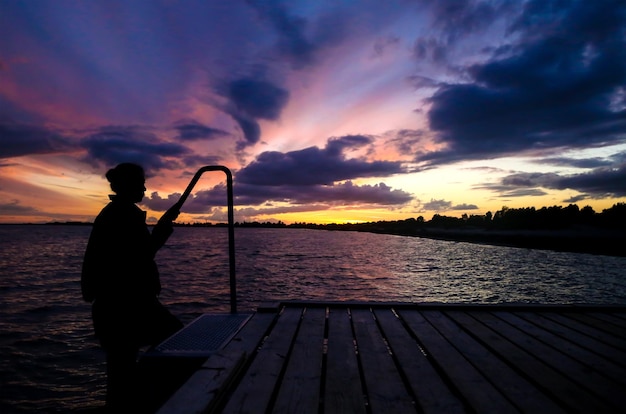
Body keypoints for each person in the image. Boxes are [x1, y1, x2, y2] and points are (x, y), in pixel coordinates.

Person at [81, 163, 183, 412]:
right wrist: (160, 232)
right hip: (124, 307)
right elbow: (139, 257)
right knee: (177, 340)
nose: (145, 188)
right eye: (140, 183)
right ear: (126, 186)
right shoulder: (121, 215)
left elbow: (136, 257)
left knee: (121, 375)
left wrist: (159, 231)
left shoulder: (119, 213)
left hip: (123, 305)